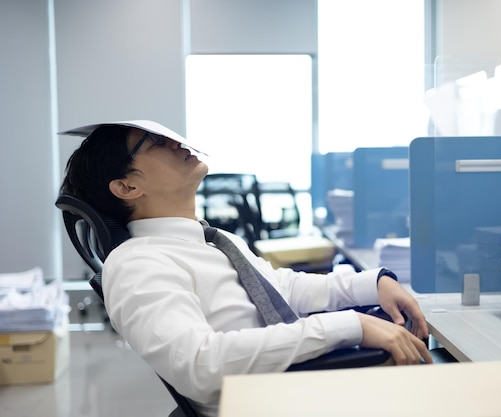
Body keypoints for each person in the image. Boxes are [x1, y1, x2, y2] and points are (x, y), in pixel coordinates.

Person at [59, 120, 432, 417]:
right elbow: (200, 365)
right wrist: (349, 325)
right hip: (268, 401)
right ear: (126, 187)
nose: (178, 142)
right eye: (156, 143)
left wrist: (373, 284)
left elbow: (282, 290)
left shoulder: (213, 239)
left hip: (295, 385)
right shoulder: (138, 264)